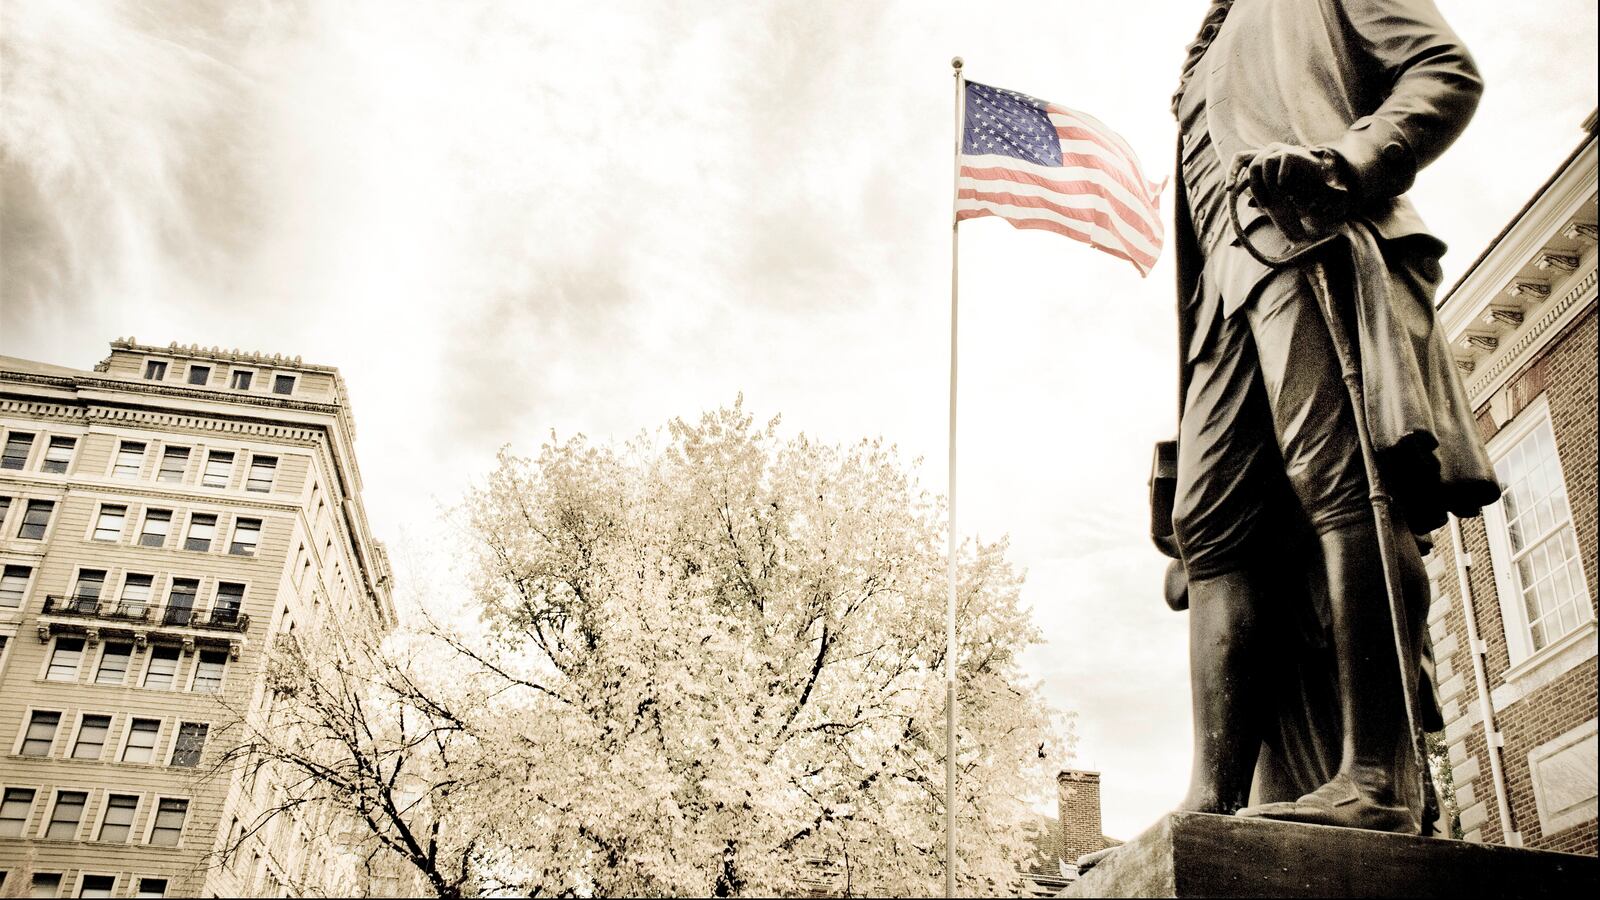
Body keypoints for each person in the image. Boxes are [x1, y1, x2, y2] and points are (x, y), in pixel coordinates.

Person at [1164, 0, 1501, 833]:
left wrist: (1344, 162)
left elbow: (1446, 72)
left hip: (1306, 237)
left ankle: (1377, 778)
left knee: (1346, 484)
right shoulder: (1204, 47)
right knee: (1209, 528)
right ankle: (1211, 801)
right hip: (1221, 294)